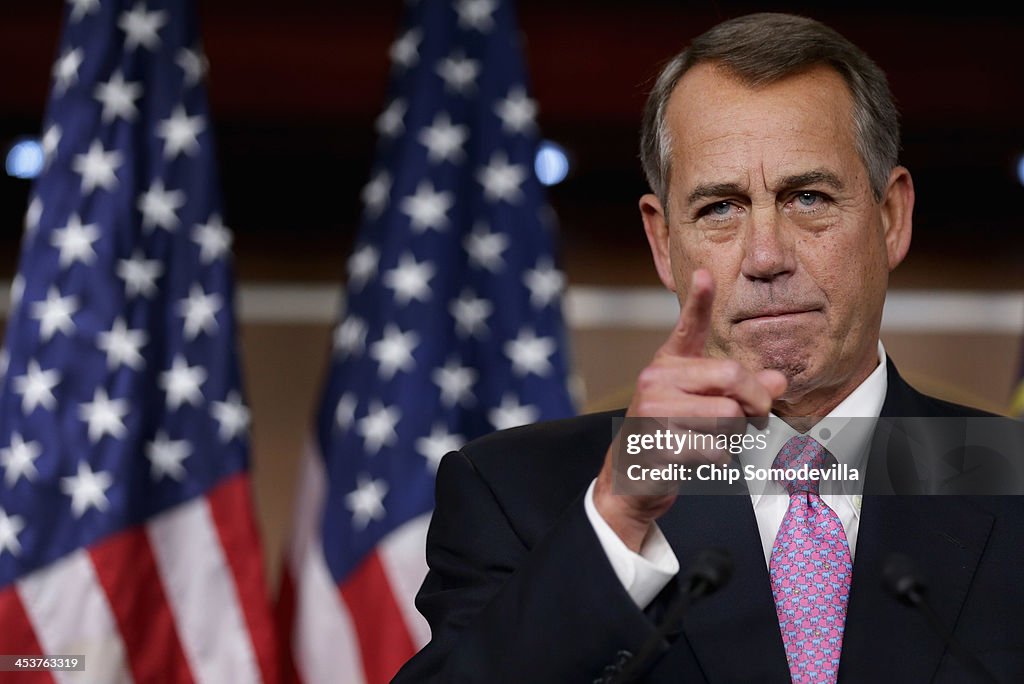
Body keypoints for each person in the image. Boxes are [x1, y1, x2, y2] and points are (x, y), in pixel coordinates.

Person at [392, 12, 1024, 683]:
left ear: (891, 218)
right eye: (720, 208)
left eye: (808, 197)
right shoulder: (517, 495)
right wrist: (616, 520)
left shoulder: (1008, 483)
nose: (765, 256)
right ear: (664, 242)